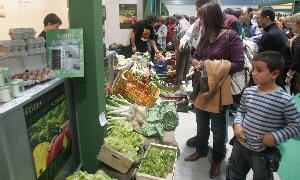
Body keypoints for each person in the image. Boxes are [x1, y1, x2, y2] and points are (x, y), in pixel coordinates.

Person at [184, 2, 244, 178]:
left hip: (219, 89)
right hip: (201, 86)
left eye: (202, 17)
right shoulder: (205, 35)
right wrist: (195, 61)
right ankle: (201, 150)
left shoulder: (231, 36)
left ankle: (217, 159)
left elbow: (239, 63)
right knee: (201, 122)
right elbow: (196, 55)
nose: (199, 21)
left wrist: (211, 66)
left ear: (210, 18)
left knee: (218, 129)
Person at [226, 51, 300, 180]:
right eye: (253, 69)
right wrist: (237, 124)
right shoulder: (248, 91)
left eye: (259, 70)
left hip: (262, 152)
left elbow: (296, 126)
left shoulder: (284, 100)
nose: (253, 73)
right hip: (240, 145)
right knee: (234, 173)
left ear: (274, 74)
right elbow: (241, 111)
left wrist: (275, 136)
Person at [256, 7, 289, 88]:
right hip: (279, 73)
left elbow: (261, 58)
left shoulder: (269, 35)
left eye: (258, 17)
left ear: (267, 18)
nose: (256, 20)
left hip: (271, 77)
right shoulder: (280, 31)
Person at [285, 13, 300, 95]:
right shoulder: (296, 36)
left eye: (293, 22)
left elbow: (296, 59)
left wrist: (289, 76)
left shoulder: (298, 39)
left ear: (298, 23)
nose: (291, 24)